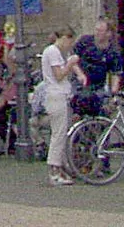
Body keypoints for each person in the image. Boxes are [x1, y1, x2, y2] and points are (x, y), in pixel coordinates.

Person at [39, 28, 83, 186]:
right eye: (69, 41)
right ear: (64, 38)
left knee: (60, 134)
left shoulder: (57, 52)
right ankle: (54, 171)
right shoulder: (53, 52)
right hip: (56, 95)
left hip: (59, 96)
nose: (70, 45)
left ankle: (60, 168)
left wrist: (78, 71)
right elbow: (58, 75)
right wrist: (71, 64)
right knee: (58, 135)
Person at [76, 17, 123, 93]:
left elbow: (116, 73)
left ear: (108, 33)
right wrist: (80, 74)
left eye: (100, 31)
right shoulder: (84, 41)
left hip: (98, 87)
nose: (96, 33)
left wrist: (114, 91)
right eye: (96, 30)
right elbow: (72, 60)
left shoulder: (113, 52)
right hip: (79, 84)